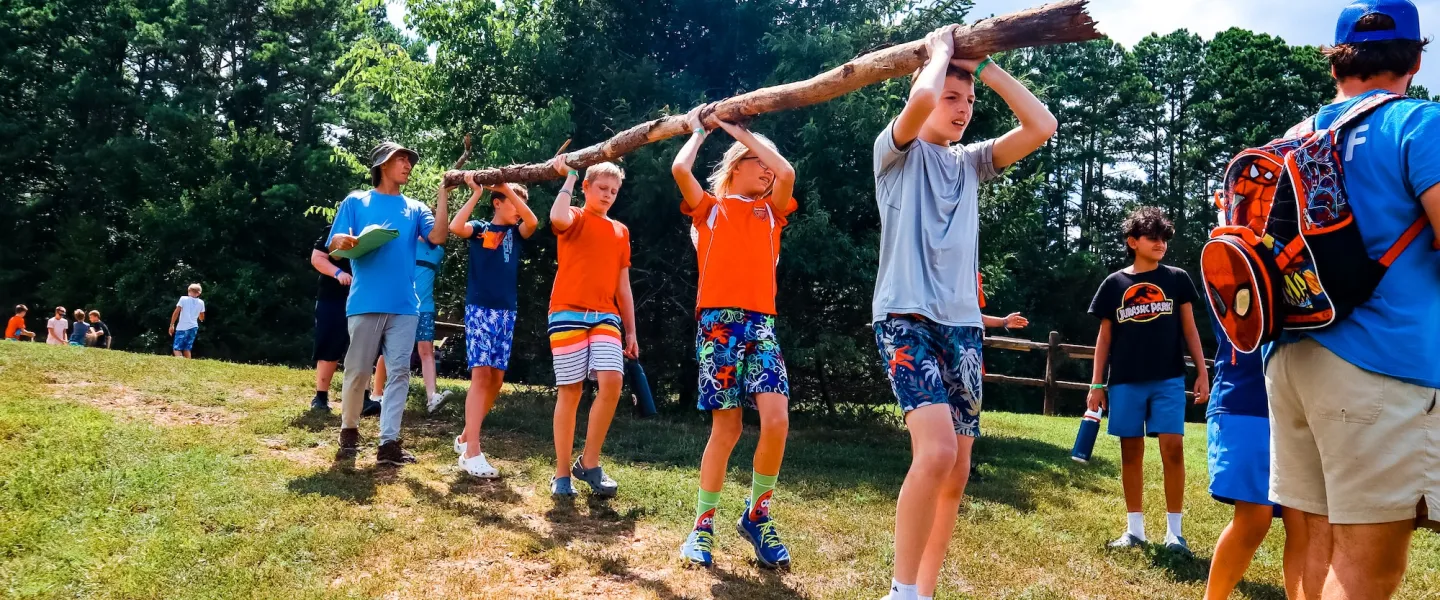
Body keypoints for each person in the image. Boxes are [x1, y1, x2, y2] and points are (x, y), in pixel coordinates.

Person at [871, 25, 1056, 600]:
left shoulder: (973, 163)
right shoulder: (893, 154)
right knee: (938, 451)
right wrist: (942, 52)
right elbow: (922, 99)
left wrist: (986, 68)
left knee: (956, 470)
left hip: (964, 327)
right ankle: (900, 592)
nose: (963, 109)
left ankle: (922, 592)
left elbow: (1041, 126)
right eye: (954, 98)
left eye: (969, 101)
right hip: (906, 317)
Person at [1268, 2, 1440, 598]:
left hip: (1290, 356)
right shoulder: (1420, 125)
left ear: (1337, 61)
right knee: (1369, 571)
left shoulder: (1294, 136)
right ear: (1416, 57)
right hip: (1381, 363)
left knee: (1312, 546)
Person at [671, 106, 798, 569]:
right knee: (727, 428)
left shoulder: (772, 214)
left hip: (760, 322)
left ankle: (756, 515)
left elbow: (786, 170)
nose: (766, 170)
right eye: (755, 161)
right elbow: (680, 168)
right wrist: (702, 129)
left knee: (777, 420)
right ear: (734, 166)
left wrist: (739, 129)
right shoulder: (710, 210)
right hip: (719, 323)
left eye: (767, 163)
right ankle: (702, 526)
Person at [1086, 207, 1210, 556]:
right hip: (1125, 380)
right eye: (1152, 238)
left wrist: (1202, 372)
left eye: (1164, 238)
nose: (1160, 244)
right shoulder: (1114, 284)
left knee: (1173, 449)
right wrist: (1097, 386)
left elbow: (1190, 329)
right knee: (1131, 453)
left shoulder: (1176, 279)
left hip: (1169, 379)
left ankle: (1175, 534)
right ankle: (1134, 530)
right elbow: (1104, 339)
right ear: (1132, 242)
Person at [328, 141, 448, 466]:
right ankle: (349, 430)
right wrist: (346, 241)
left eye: (410, 159)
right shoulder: (356, 200)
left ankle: (389, 444)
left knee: (399, 373)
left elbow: (437, 237)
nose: (408, 164)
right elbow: (335, 248)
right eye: (401, 159)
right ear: (383, 164)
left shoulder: (415, 207)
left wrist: (443, 196)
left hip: (405, 305)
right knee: (357, 372)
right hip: (365, 302)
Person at [544, 156, 639, 498]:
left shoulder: (620, 230)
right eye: (602, 188)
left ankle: (590, 462)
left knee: (612, 382)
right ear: (586, 187)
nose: (608, 195)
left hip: (605, 315)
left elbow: (622, 285)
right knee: (570, 390)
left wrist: (630, 330)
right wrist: (568, 177)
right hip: (567, 312)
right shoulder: (576, 216)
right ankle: (561, 473)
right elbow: (556, 216)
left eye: (614, 191)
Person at [448, 174, 538, 478]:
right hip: (480, 310)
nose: (518, 208)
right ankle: (472, 451)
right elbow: (455, 227)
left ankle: (463, 437)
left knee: (496, 380)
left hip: (506, 313)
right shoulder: (482, 231)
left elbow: (533, 221)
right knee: (481, 374)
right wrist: (476, 193)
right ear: (497, 204)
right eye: (511, 202)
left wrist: (506, 190)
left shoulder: (516, 233)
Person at [308, 224, 383, 414]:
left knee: (363, 349)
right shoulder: (333, 230)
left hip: (365, 299)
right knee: (329, 346)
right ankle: (321, 398)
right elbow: (317, 258)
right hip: (332, 298)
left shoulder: (374, 233)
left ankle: (363, 400)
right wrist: (338, 273)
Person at [415, 232, 452, 413]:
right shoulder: (407, 244)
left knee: (427, 351)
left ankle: (432, 398)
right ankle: (377, 394)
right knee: (391, 351)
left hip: (426, 308)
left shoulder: (439, 252)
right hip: (402, 307)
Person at [169, 283, 206, 358]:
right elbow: (201, 317)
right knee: (187, 348)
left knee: (177, 348)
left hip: (182, 327)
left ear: (189, 291)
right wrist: (200, 318)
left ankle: (181, 362)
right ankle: (188, 366)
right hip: (193, 327)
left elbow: (176, 312)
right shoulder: (201, 302)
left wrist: (172, 324)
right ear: (199, 293)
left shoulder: (183, 299)